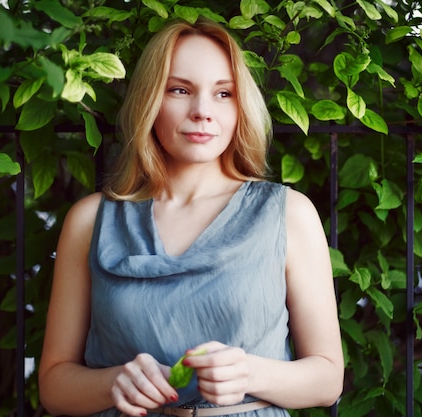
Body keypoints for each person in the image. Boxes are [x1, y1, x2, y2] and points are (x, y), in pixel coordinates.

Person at [38, 17, 344, 417]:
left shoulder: (288, 213)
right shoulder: (91, 220)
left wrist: (250, 373)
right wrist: (112, 382)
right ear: (151, 99)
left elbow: (327, 380)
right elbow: (54, 387)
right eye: (180, 90)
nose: (202, 111)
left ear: (241, 107)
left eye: (223, 93)